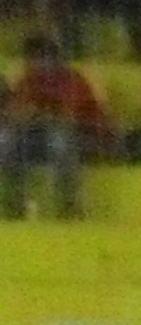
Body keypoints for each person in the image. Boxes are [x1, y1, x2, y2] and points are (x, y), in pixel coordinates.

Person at [1, 34, 106, 221]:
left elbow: (67, 119)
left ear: (56, 59)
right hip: (41, 137)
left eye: (42, 57)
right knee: (5, 140)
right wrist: (23, 116)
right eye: (32, 58)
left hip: (84, 137)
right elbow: (16, 114)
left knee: (59, 140)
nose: (37, 63)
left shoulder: (73, 81)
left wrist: (34, 114)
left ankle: (69, 206)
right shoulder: (27, 81)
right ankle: (13, 206)